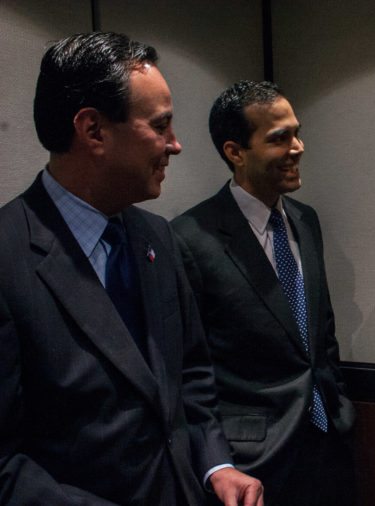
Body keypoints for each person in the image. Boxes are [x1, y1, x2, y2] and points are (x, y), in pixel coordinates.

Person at [0, 32, 263, 505]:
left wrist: (216, 466)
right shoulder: (7, 256)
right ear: (94, 131)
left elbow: (191, 377)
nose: (175, 144)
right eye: (160, 126)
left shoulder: (156, 237)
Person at [171, 80, 355, 506]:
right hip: (251, 465)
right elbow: (189, 367)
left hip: (329, 444)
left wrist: (341, 406)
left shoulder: (306, 221)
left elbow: (320, 334)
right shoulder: (189, 239)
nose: (298, 147)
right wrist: (217, 461)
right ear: (235, 152)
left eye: (296, 132)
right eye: (279, 138)